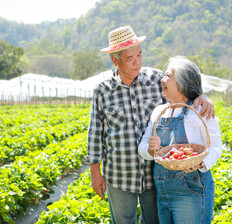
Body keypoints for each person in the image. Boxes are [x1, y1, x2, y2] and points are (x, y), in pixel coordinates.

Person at [87, 26, 215, 224]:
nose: (137, 62)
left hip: (153, 175)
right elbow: (95, 134)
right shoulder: (102, 91)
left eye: (139, 55)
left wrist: (201, 96)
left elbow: (184, 83)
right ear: (115, 60)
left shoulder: (156, 79)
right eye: (130, 58)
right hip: (119, 173)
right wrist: (96, 174)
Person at [138, 56, 223, 224]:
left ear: (183, 82)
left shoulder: (200, 110)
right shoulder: (159, 111)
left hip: (191, 190)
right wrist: (150, 149)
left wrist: (201, 163)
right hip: (163, 191)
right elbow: (143, 147)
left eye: (168, 76)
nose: (162, 79)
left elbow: (216, 147)